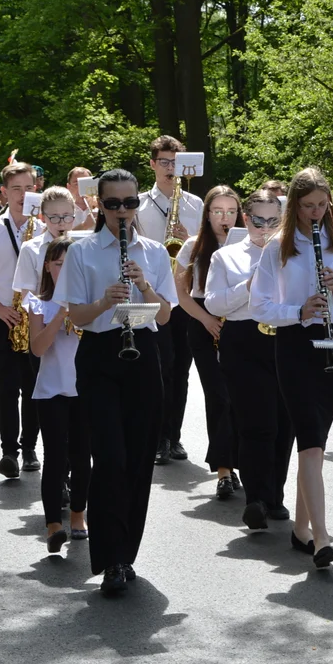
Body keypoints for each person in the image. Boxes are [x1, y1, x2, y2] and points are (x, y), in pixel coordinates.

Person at [53, 167, 177, 595]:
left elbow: (164, 316)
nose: (122, 212)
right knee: (110, 458)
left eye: (130, 203)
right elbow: (75, 316)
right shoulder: (82, 252)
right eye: (113, 204)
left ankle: (125, 556)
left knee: (140, 459)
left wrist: (145, 287)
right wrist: (105, 299)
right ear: (99, 205)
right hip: (101, 357)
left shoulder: (156, 252)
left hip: (144, 354)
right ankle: (107, 559)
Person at [250, 167, 333, 569]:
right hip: (296, 344)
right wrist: (298, 311)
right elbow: (259, 306)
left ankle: (301, 528)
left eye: (321, 205)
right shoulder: (278, 245)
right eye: (307, 206)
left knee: (315, 440)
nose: (315, 213)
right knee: (311, 441)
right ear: (294, 206)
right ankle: (320, 539)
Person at [205, 189, 295, 528]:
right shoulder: (225, 257)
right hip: (243, 341)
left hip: (283, 338)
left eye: (274, 221)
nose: (266, 228)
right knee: (258, 423)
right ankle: (256, 497)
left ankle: (276, 496)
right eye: (259, 221)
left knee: (285, 423)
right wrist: (250, 284)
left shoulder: (290, 255)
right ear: (246, 219)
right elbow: (213, 304)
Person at [0, 162, 47, 479]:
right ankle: (8, 451)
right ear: (4, 192)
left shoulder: (47, 231)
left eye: (29, 188)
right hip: (2, 316)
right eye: (16, 189)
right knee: (7, 388)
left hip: (36, 319)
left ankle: (29, 447)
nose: (23, 195)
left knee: (34, 387)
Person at [137, 134, 202, 465]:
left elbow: (209, 250)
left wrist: (187, 238)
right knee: (158, 367)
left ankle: (173, 436)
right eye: (164, 162)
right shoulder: (139, 204)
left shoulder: (196, 204)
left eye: (175, 163)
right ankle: (157, 434)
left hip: (185, 294)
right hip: (153, 295)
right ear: (152, 164)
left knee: (181, 369)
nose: (170, 168)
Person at [174, 186, 242, 498]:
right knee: (219, 397)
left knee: (240, 398)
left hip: (239, 324)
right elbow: (182, 294)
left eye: (231, 211)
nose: (225, 218)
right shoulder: (193, 245)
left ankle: (238, 462)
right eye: (218, 211)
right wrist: (205, 319)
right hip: (204, 325)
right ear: (207, 214)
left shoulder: (249, 244)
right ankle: (223, 470)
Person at [28, 237, 90, 553]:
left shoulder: (91, 301)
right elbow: (37, 348)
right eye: (57, 264)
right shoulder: (38, 303)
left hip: (84, 390)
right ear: (48, 268)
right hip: (51, 391)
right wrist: (60, 314)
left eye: (70, 265)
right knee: (54, 457)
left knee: (82, 457)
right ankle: (53, 523)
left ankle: (78, 514)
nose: (64, 270)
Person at [13, 186, 77, 305]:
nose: (61, 222)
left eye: (67, 216)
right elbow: (28, 297)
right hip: (46, 319)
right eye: (54, 217)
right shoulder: (30, 248)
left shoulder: (85, 245)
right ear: (42, 217)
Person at [66, 166, 98, 231]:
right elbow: (61, 236)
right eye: (77, 184)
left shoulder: (102, 207)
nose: (81, 188)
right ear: (68, 187)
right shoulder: (64, 209)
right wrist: (85, 225)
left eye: (86, 183)